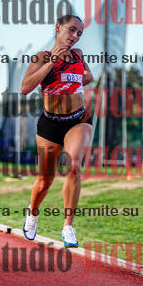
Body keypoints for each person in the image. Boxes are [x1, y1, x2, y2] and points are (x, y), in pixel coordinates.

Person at [21, 14, 93, 247]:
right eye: (71, 30)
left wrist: (73, 81)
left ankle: (68, 226)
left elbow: (88, 76)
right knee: (45, 181)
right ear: (58, 27)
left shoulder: (78, 55)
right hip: (50, 124)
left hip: (78, 119)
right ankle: (33, 213)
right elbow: (25, 87)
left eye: (79, 33)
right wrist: (52, 63)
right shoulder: (41, 57)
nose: (75, 36)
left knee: (74, 165)